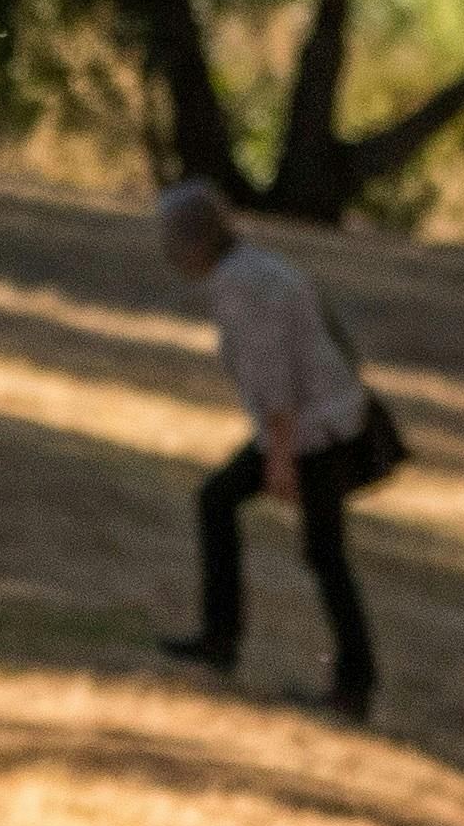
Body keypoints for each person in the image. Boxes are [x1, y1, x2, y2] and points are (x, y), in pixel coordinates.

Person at [144, 181, 403, 724]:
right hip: (329, 419)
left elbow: (274, 377)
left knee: (316, 550)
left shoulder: (241, 285)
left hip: (314, 433)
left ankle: (349, 683)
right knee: (233, 510)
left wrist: (279, 458)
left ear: (193, 242)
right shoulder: (258, 267)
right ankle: (229, 643)